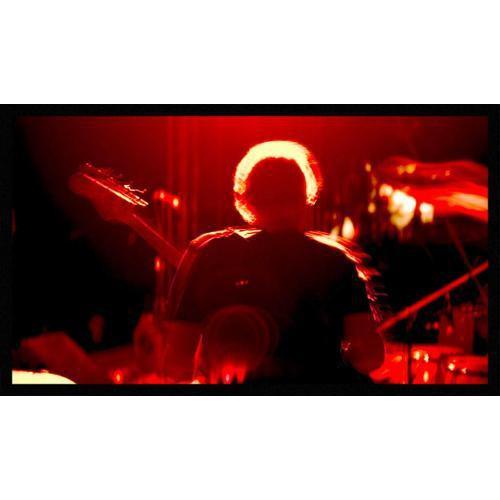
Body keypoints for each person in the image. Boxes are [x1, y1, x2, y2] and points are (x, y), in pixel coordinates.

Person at [163, 141, 384, 383]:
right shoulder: (336, 260)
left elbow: (176, 361)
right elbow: (370, 357)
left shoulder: (209, 253)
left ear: (247, 199)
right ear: (307, 198)